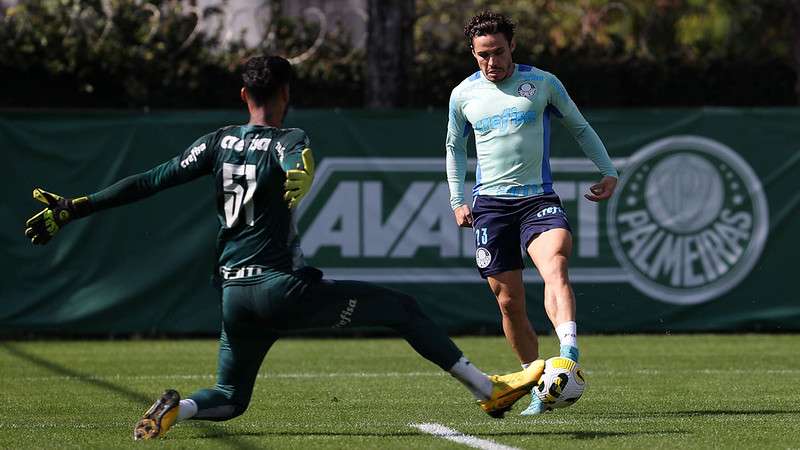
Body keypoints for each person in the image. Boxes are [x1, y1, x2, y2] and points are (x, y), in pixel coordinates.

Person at [24, 55, 545, 440]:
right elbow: (297, 154)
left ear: (243, 96)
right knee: (403, 309)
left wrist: (75, 206)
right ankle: (488, 391)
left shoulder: (217, 141)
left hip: (233, 294)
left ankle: (176, 409)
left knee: (229, 399)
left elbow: (148, 181)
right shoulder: (286, 138)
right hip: (279, 288)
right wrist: (301, 170)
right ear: (285, 93)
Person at [444, 11, 618, 415]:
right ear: (472, 52)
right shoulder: (462, 95)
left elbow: (579, 126)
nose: (492, 62)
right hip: (490, 206)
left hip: (537, 199)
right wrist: (457, 199)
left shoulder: (541, 83)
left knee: (555, 263)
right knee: (509, 302)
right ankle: (536, 381)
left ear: (512, 47)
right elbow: (455, 148)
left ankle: (567, 354)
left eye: (499, 52)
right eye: (483, 55)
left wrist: (608, 171)